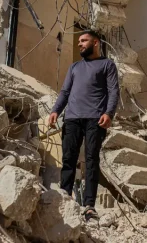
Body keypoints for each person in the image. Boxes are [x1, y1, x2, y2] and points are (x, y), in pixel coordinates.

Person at [48, 30, 120, 220]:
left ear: (95, 43)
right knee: (68, 159)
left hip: (95, 119)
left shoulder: (107, 65)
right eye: (79, 41)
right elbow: (64, 92)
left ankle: (89, 205)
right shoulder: (74, 67)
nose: (79, 44)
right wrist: (56, 110)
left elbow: (114, 91)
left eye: (84, 40)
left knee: (91, 161)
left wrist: (109, 113)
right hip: (71, 118)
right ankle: (64, 198)